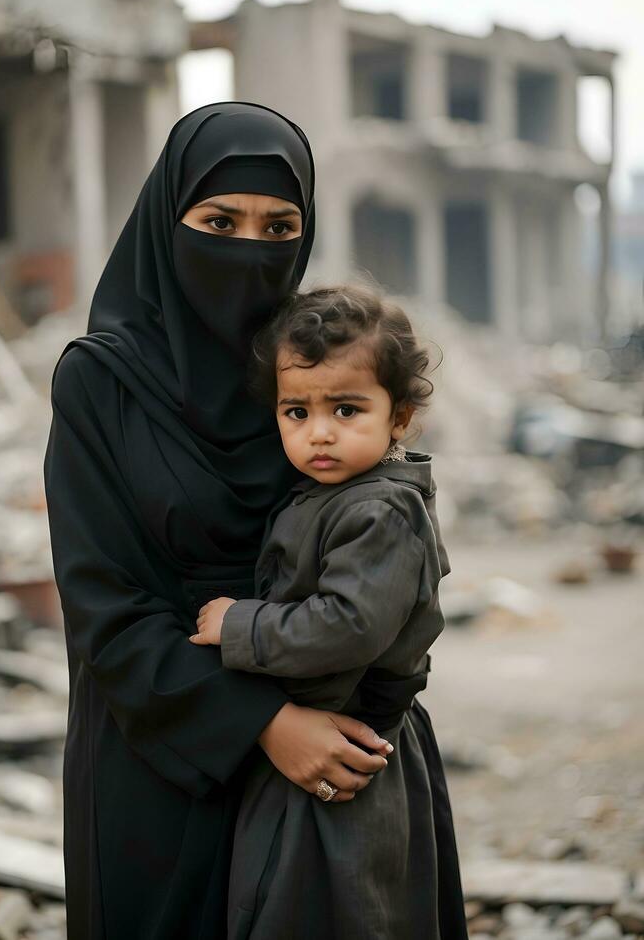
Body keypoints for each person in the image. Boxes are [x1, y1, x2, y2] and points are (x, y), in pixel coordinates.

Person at [43, 103, 399, 940]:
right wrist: (264, 726)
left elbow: (382, 545)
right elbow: (104, 606)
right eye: (218, 221)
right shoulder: (103, 383)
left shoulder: (313, 377)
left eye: (279, 226)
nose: (248, 249)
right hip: (159, 752)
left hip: (327, 756)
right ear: (169, 223)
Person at [191, 284, 469, 939]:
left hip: (352, 757)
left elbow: (346, 626)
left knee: (342, 910)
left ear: (398, 418)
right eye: (296, 412)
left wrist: (239, 625)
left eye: (346, 409)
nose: (318, 432)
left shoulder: (378, 512)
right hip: (318, 742)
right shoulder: (331, 494)